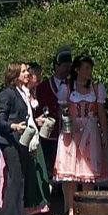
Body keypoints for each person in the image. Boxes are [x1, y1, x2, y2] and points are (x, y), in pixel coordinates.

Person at [53, 54, 108, 215]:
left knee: (88, 173)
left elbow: (101, 113)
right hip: (71, 132)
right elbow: (61, 111)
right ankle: (71, 209)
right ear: (77, 70)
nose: (89, 71)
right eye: (86, 68)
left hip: (90, 132)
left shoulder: (96, 89)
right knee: (70, 174)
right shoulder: (67, 89)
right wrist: (68, 121)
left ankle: (86, 208)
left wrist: (104, 134)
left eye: (90, 68)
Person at [0, 62, 32, 215]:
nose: (27, 74)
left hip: (19, 141)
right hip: (10, 141)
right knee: (16, 180)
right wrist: (13, 127)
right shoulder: (7, 94)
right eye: (23, 71)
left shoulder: (20, 93)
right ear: (15, 75)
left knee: (18, 180)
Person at [36, 47, 73, 177]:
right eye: (65, 66)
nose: (68, 69)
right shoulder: (43, 87)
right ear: (57, 66)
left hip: (68, 134)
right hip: (50, 135)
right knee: (49, 168)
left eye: (69, 66)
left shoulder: (73, 86)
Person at [23, 62, 51, 215]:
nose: (39, 78)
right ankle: (29, 209)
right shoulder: (24, 93)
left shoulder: (33, 92)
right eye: (36, 75)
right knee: (31, 174)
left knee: (40, 172)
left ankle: (39, 207)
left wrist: (38, 120)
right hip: (27, 137)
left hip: (35, 135)